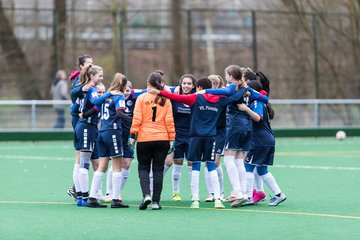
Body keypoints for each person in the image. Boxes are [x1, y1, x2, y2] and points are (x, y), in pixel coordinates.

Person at [148, 77, 248, 209]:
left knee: (195, 167)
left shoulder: (195, 98)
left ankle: (195, 200)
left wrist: (158, 92)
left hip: (195, 138)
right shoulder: (220, 101)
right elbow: (235, 98)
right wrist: (245, 88)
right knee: (211, 166)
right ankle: (218, 199)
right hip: (211, 137)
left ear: (199, 88)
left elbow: (175, 97)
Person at [202, 65, 269, 208]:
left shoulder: (233, 87)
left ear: (231, 76)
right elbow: (263, 98)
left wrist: (203, 91)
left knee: (229, 159)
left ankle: (238, 191)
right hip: (248, 127)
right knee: (239, 161)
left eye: (226, 75)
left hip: (235, 126)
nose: (226, 77)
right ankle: (244, 192)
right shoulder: (248, 89)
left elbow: (223, 91)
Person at [130, 72, 175, 210]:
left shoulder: (142, 98)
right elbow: (169, 120)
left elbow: (137, 118)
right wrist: (172, 138)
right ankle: (156, 202)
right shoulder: (166, 100)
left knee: (143, 168)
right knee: (158, 170)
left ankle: (146, 195)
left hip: (145, 138)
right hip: (162, 138)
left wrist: (132, 136)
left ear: (148, 83)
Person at [87, 73, 131, 208]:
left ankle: (92, 197)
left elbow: (95, 103)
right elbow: (119, 113)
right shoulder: (119, 96)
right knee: (118, 167)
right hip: (113, 132)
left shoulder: (106, 96)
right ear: (123, 85)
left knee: (102, 166)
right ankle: (116, 199)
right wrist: (133, 120)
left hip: (102, 132)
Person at [241, 79, 287, 206]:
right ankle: (279, 195)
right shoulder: (259, 101)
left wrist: (245, 109)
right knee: (262, 170)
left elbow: (257, 117)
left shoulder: (257, 102)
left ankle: (249, 196)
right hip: (267, 139)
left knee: (248, 166)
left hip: (260, 140)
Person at [104, 81, 147, 202]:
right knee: (116, 163)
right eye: (124, 90)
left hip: (130, 135)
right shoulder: (115, 98)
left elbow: (149, 90)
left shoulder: (136, 98)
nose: (126, 93)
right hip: (116, 133)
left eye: (128, 90)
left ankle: (118, 192)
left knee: (127, 163)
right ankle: (109, 193)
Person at [67, 54, 93, 201]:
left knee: (87, 155)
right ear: (81, 66)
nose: (91, 66)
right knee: (80, 154)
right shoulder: (80, 80)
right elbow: (73, 95)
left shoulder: (91, 79)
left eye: (92, 63)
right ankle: (76, 190)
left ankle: (77, 189)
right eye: (88, 64)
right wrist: (83, 88)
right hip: (79, 119)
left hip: (89, 121)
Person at [170, 74, 196, 202]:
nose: (186, 85)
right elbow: (163, 88)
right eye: (184, 83)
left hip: (191, 136)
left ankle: (194, 193)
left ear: (193, 86)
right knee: (178, 163)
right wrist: (175, 88)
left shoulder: (197, 98)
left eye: (189, 83)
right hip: (177, 135)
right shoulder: (175, 98)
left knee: (191, 163)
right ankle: (175, 192)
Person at [204, 74, 226, 202]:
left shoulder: (222, 97)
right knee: (208, 162)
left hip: (219, 133)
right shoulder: (203, 97)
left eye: (213, 83)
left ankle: (220, 192)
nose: (211, 85)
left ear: (217, 85)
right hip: (208, 133)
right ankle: (211, 193)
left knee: (215, 162)